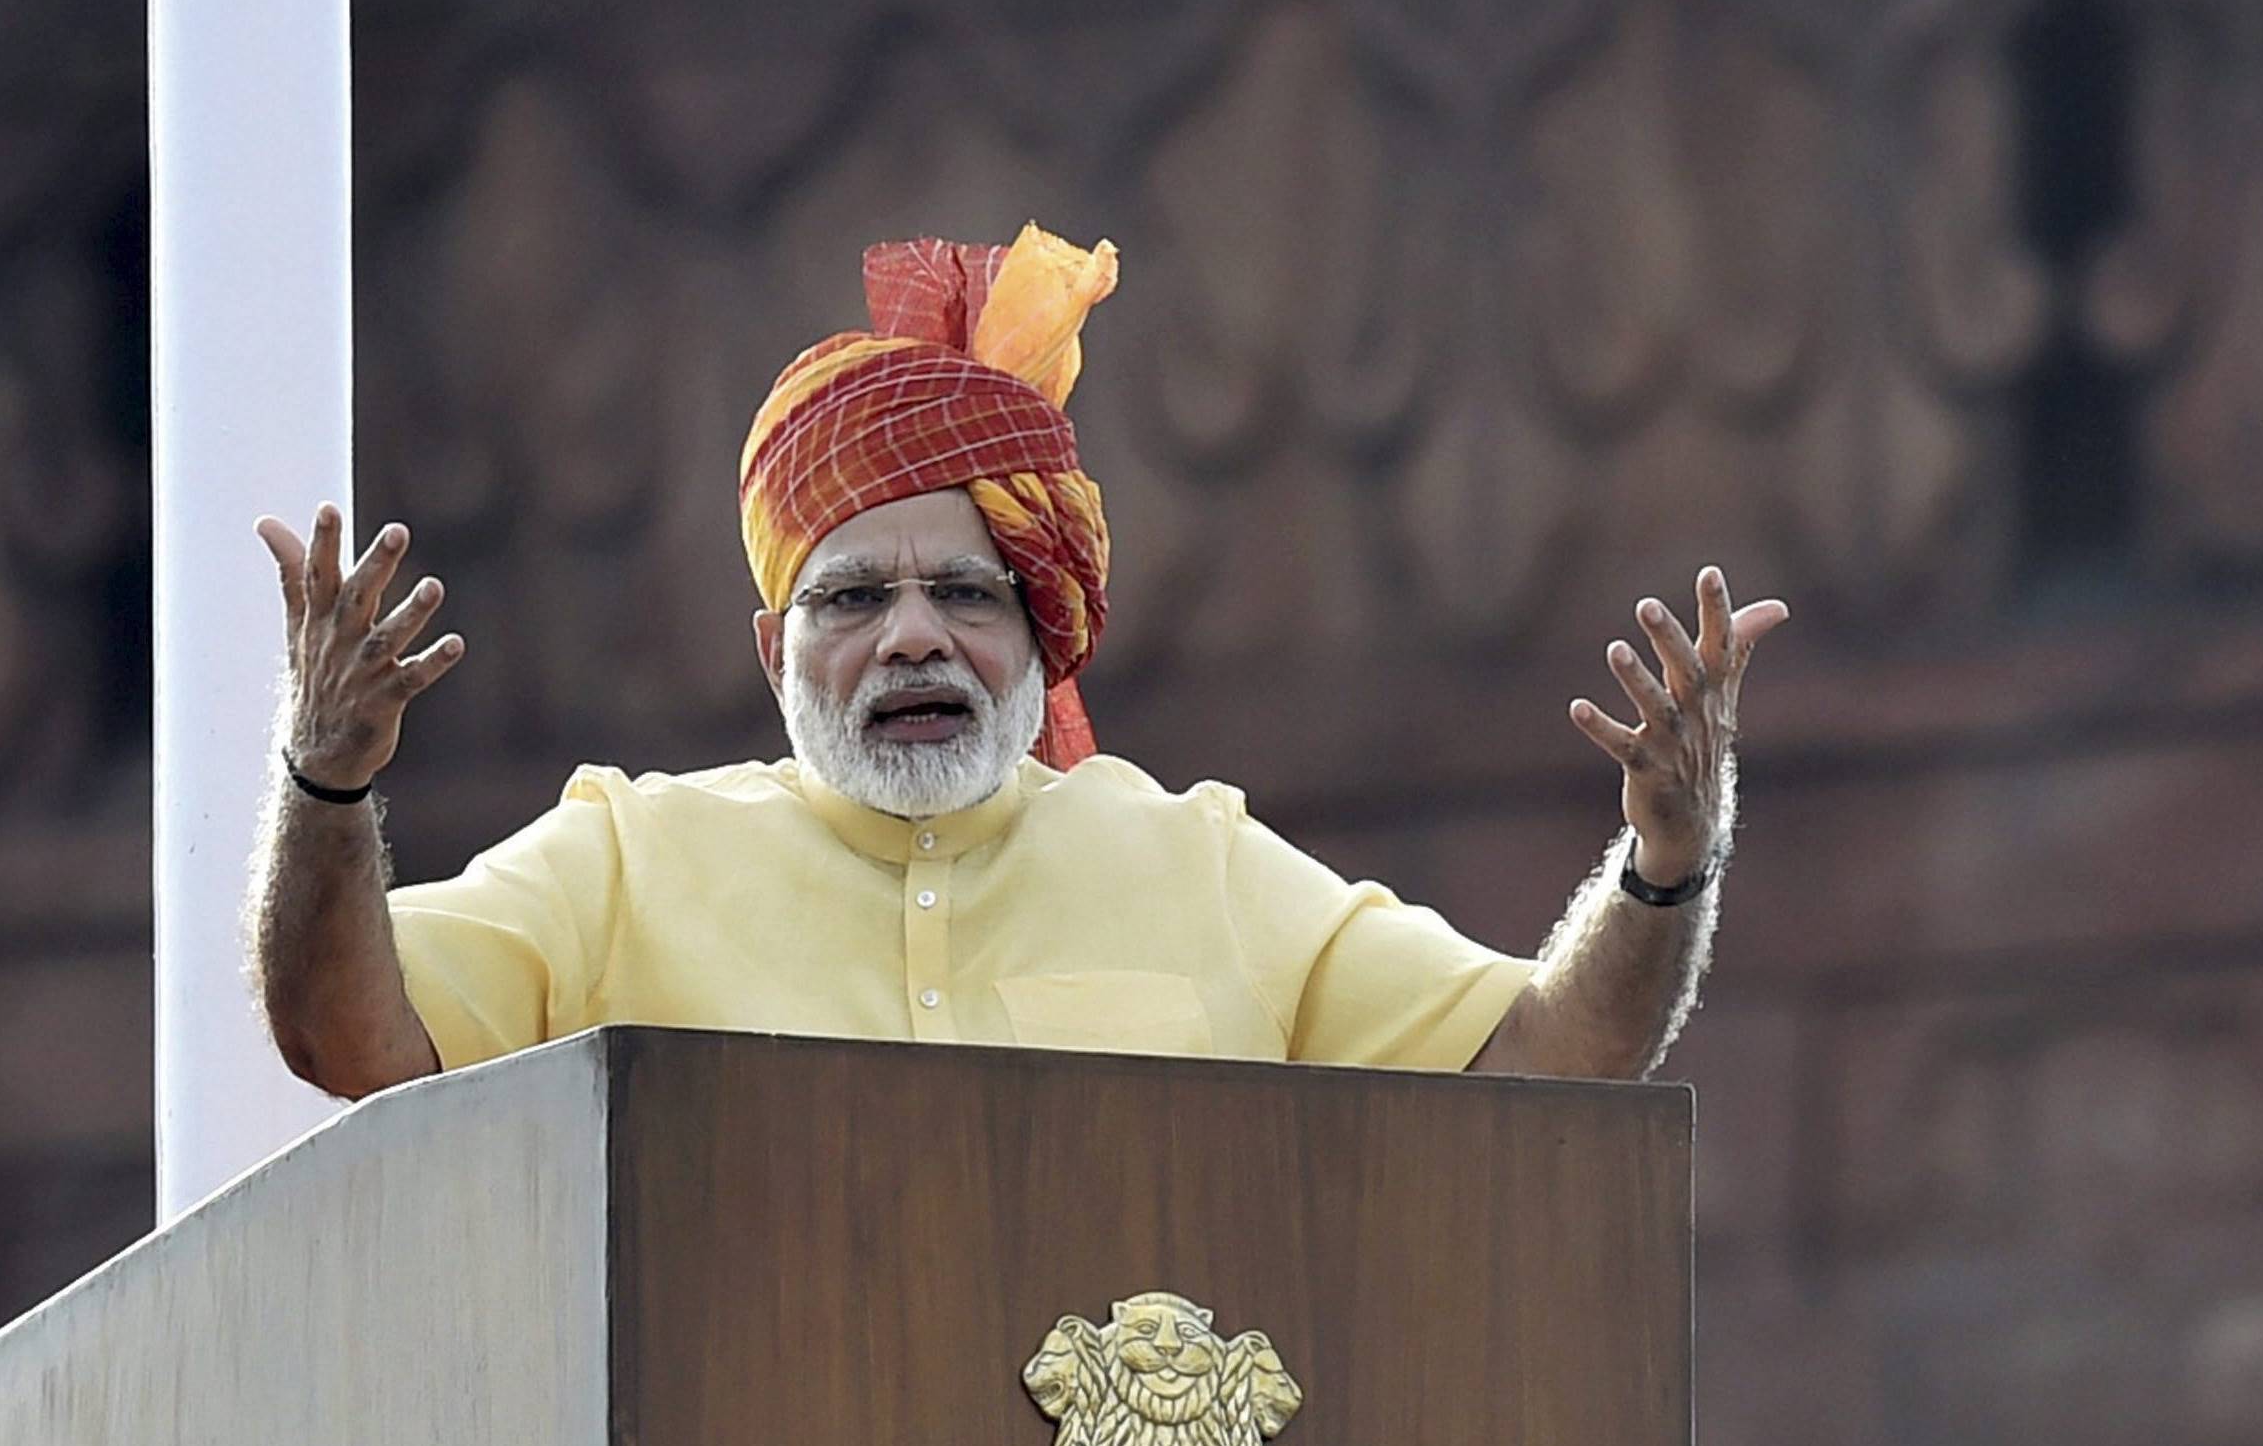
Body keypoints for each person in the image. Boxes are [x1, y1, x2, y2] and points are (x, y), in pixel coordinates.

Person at [247, 225, 1784, 1099]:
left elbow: (1547, 1060)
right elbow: (353, 1037)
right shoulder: (625, 862)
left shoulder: (1196, 867)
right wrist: (326, 785)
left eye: (962, 594)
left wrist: (1665, 864)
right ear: (774, 648)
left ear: (1040, 629)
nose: (911, 633)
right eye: (852, 601)